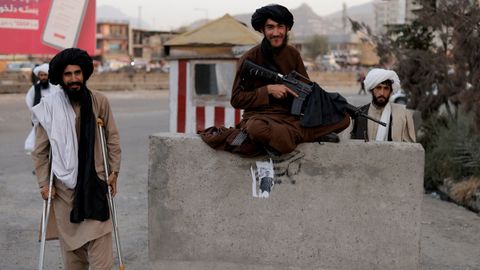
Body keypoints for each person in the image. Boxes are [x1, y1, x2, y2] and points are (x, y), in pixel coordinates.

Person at [200, 4, 350, 157]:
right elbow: (236, 99)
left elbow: (305, 92)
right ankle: (306, 136)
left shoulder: (293, 54)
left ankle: (283, 141)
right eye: (270, 27)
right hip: (262, 119)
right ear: (262, 30)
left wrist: (326, 102)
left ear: (287, 29)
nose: (276, 33)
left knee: (343, 118)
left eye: (280, 27)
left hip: (290, 120)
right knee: (255, 129)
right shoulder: (250, 59)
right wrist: (268, 91)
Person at [31, 48, 121, 269]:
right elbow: (40, 151)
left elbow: (112, 138)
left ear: (85, 74)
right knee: (73, 261)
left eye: (77, 73)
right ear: (61, 78)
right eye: (68, 74)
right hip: (65, 192)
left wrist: (114, 172)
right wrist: (44, 183)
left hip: (96, 186)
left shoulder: (99, 101)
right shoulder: (51, 107)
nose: (73, 79)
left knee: (102, 263)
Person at [350, 68, 416, 142]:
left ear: (390, 91)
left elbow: (409, 147)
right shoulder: (358, 114)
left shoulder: (402, 115)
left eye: (386, 88)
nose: (382, 93)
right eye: (378, 88)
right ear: (372, 90)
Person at [24, 63, 59, 153]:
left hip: (53, 118)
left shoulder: (55, 88)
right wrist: (36, 111)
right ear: (38, 76)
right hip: (39, 119)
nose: (43, 77)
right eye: (41, 75)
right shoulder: (35, 88)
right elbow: (29, 100)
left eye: (45, 75)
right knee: (39, 141)